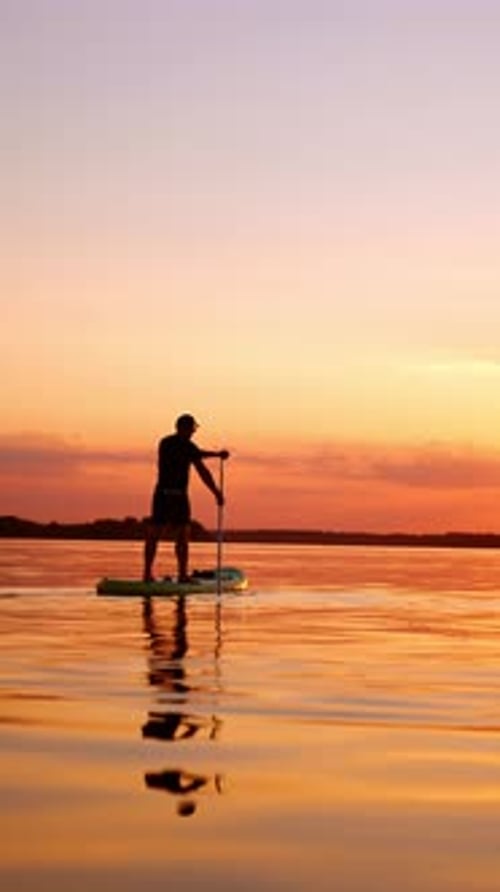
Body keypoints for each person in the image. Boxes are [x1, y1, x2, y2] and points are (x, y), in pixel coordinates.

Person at [143, 413, 229, 583]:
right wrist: (218, 454)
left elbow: (203, 472)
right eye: (192, 429)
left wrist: (216, 492)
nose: (193, 432)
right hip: (170, 496)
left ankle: (174, 574)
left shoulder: (184, 447)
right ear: (184, 428)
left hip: (169, 495)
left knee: (179, 535)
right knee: (161, 534)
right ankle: (153, 574)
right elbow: (197, 455)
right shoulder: (170, 444)